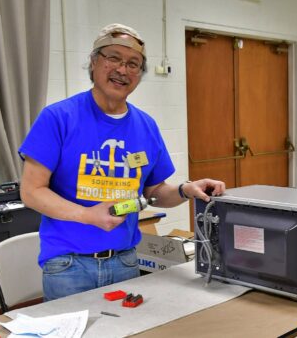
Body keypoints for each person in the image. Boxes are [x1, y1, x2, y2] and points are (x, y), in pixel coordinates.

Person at [19, 23, 225, 301]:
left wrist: (185, 190)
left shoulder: (146, 126)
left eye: (133, 64)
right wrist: (88, 215)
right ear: (93, 63)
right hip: (68, 265)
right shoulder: (58, 118)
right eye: (113, 58)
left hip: (126, 261)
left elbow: (153, 193)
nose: (122, 69)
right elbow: (31, 191)